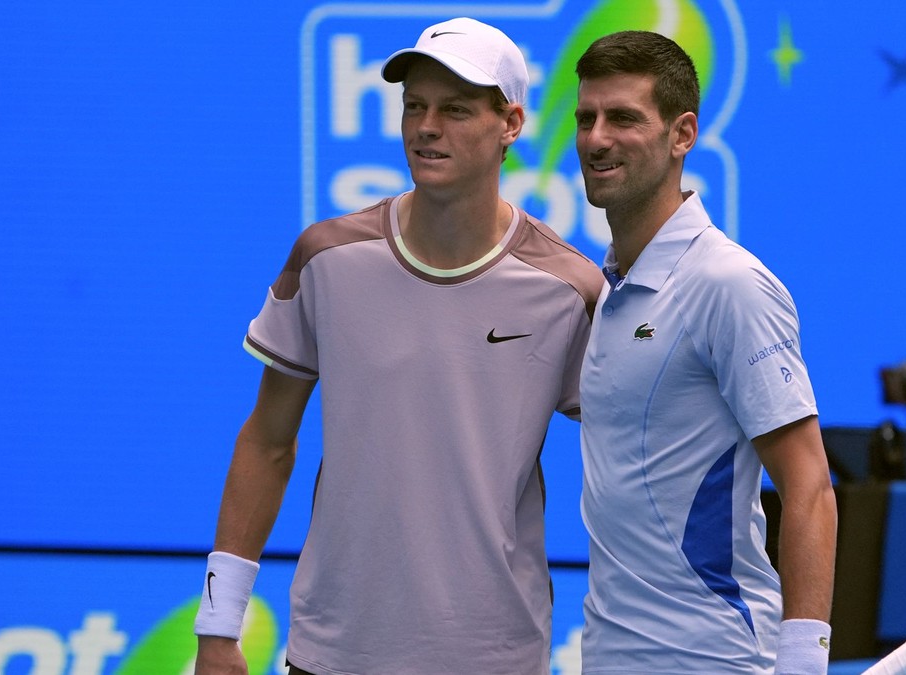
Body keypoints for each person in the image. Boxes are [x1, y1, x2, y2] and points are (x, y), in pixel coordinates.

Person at [193, 17, 603, 675]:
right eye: (414, 105)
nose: (425, 126)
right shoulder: (326, 256)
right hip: (330, 651)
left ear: (511, 123)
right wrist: (218, 625)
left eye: (455, 109)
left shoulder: (570, 289)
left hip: (494, 658)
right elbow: (267, 442)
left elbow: (627, 469)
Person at [573, 31, 838, 674]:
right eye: (586, 118)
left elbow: (809, 488)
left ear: (682, 134)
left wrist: (803, 664)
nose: (596, 138)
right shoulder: (609, 291)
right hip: (611, 655)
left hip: (713, 657)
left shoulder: (728, 284)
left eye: (624, 118)